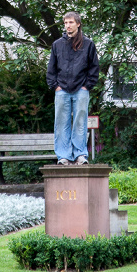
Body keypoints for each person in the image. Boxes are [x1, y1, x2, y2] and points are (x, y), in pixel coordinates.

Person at [46, 11, 99, 165]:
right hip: (61, 90)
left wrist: (86, 86)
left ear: (78, 24)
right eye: (65, 23)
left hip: (81, 90)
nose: (67, 26)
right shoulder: (57, 45)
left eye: (70, 22)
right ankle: (63, 156)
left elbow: (94, 68)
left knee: (80, 122)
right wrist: (55, 86)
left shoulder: (88, 44)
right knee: (61, 123)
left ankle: (80, 155)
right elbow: (51, 69)